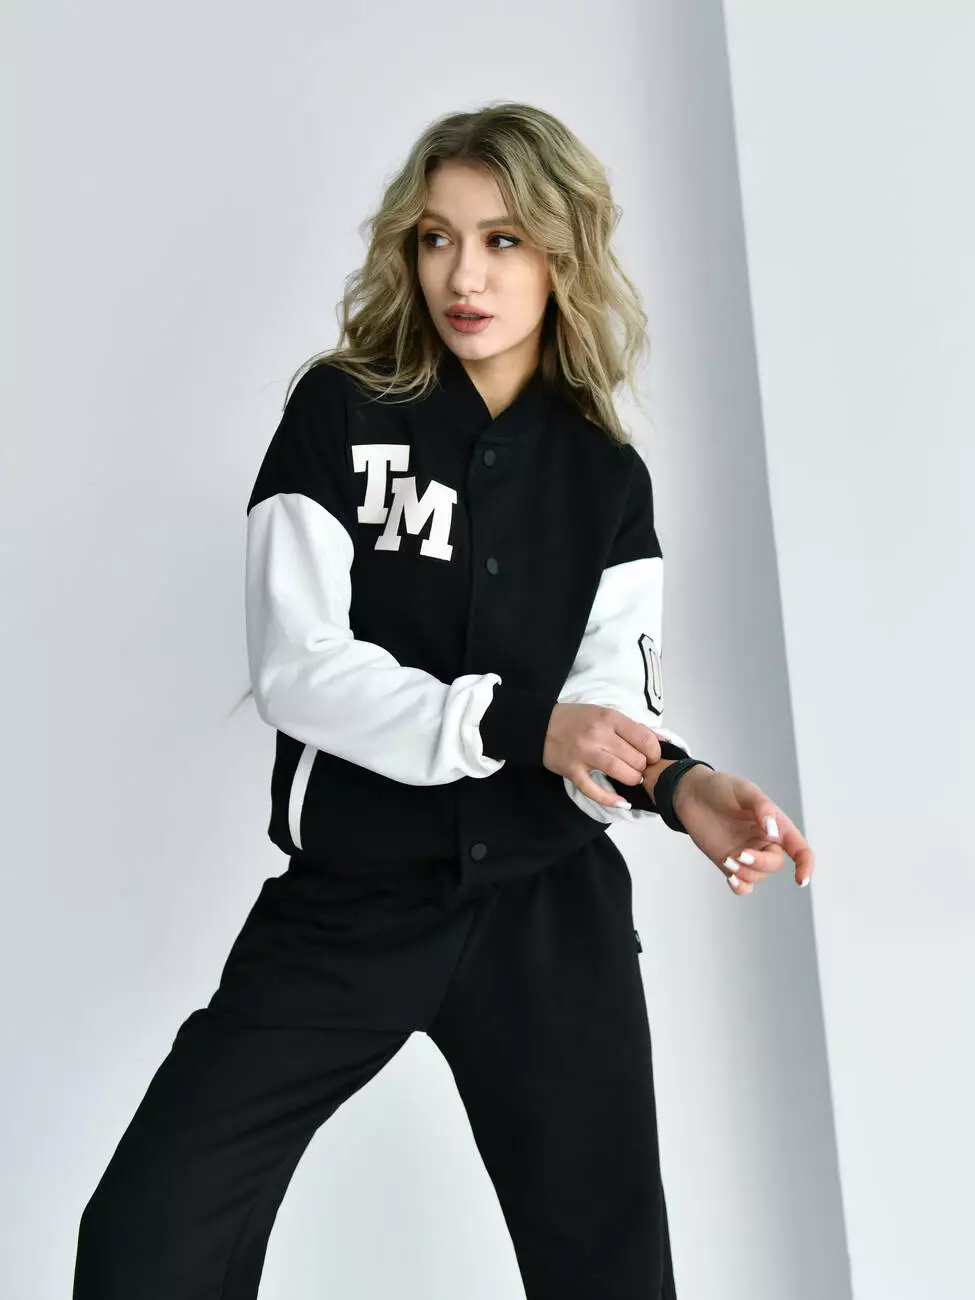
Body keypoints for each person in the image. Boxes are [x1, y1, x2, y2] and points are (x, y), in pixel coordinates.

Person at [72, 100, 815, 1299]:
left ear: (564, 254)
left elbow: (606, 701)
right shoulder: (339, 413)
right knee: (148, 1239)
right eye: (436, 238)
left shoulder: (606, 479)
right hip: (351, 901)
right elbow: (300, 667)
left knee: (610, 1273)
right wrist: (520, 727)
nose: (463, 275)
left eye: (503, 240)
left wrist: (682, 785)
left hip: (547, 914)